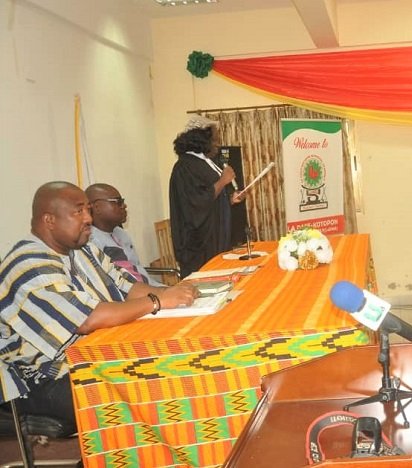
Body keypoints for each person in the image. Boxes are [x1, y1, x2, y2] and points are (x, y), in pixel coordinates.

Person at [0, 181, 197, 434]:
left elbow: (126, 287)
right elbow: (87, 320)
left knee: (168, 366)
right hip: (39, 377)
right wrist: (157, 302)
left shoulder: (84, 249)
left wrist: (174, 295)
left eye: (88, 211)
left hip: (91, 355)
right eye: (78, 211)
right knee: (134, 397)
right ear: (49, 220)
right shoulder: (28, 264)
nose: (88, 219)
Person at [169, 114, 244, 277]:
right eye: (215, 140)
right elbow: (195, 203)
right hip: (199, 245)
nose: (217, 145)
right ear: (201, 140)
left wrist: (229, 200)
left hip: (214, 239)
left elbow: (209, 198)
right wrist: (223, 181)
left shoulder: (203, 163)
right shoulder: (185, 166)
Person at [86, 183, 163, 286]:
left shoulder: (120, 233)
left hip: (150, 289)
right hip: (136, 298)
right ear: (97, 207)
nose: (124, 206)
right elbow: (122, 288)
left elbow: (136, 271)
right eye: (118, 202)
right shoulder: (92, 242)